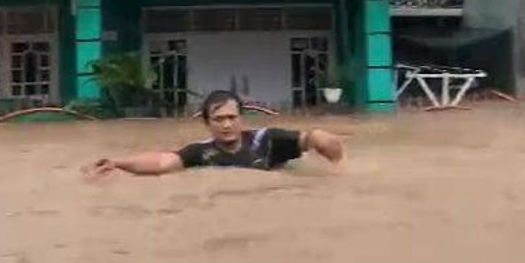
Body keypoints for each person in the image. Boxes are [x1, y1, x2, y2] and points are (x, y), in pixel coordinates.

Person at [81, 90, 344, 178]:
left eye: (232, 118)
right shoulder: (202, 152)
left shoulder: (267, 139)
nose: (227, 125)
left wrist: (321, 138)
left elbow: (310, 140)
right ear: (207, 124)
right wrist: (117, 162)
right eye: (219, 119)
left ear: (241, 119)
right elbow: (162, 162)